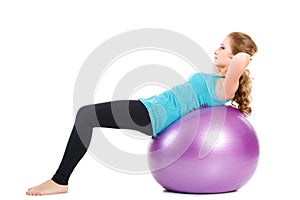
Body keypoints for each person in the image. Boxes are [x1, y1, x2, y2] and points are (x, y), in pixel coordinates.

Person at [26, 32, 258, 196]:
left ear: (233, 57)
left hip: (154, 114)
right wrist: (227, 58)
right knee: (87, 116)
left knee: (87, 116)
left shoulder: (226, 87)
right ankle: (60, 180)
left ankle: (59, 180)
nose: (216, 50)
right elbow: (234, 61)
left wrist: (241, 53)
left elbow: (243, 58)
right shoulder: (217, 80)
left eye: (222, 47)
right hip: (152, 107)